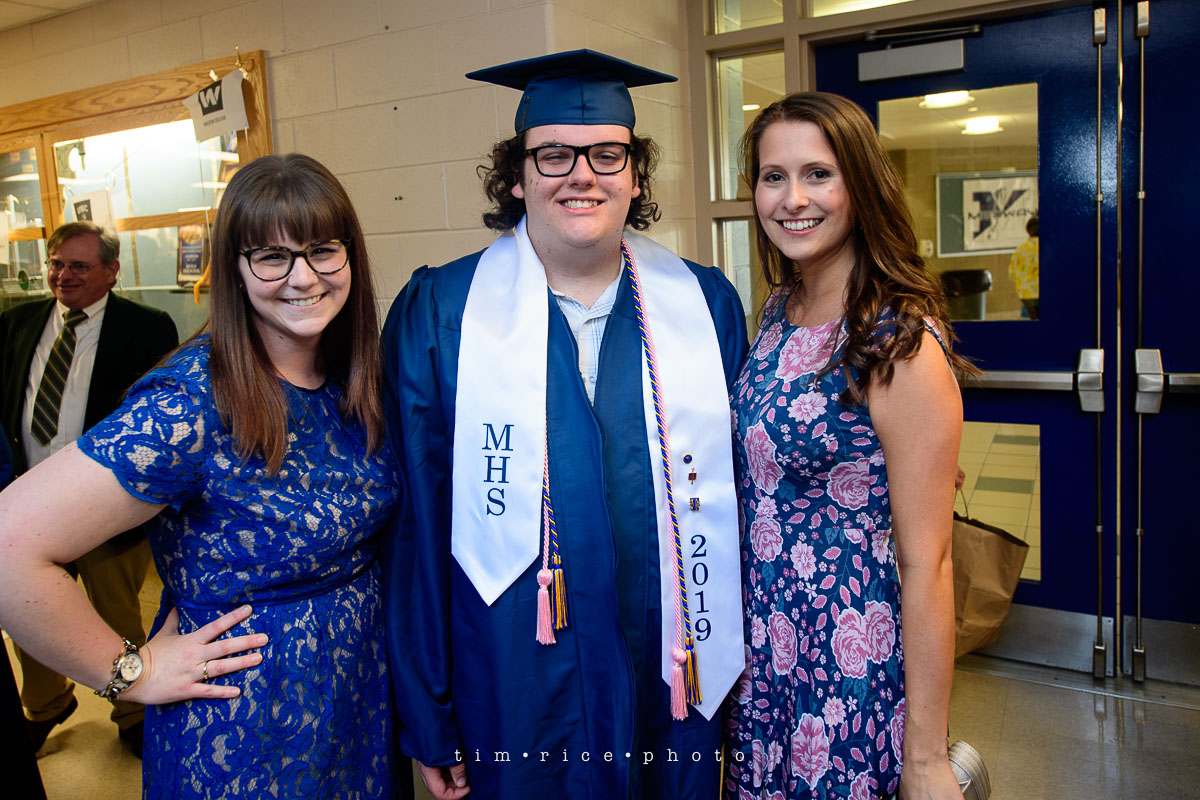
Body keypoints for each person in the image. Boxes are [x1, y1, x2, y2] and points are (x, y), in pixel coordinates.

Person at [383, 50, 749, 800]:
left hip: (671, 663)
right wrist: (430, 711)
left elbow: (740, 500)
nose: (582, 175)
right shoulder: (442, 312)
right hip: (514, 675)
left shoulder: (703, 305)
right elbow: (416, 522)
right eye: (553, 155)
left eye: (607, 154)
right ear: (517, 176)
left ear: (636, 176)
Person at [0, 154, 403, 799]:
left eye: (323, 251)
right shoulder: (190, 404)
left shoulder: (354, 377)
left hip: (357, 702)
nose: (303, 277)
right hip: (243, 727)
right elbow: (8, 547)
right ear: (235, 271)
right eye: (271, 257)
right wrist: (129, 674)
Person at [725, 92, 972, 799]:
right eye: (773, 177)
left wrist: (925, 758)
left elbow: (929, 565)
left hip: (850, 669)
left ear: (859, 185)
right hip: (767, 660)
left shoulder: (899, 342)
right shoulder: (779, 312)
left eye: (818, 174)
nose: (793, 199)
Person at [0, 220, 178, 756]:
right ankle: (46, 704)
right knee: (31, 611)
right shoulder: (16, 323)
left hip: (105, 509)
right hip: (32, 499)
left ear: (111, 271)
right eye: (56, 264)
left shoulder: (146, 328)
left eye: (79, 265)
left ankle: (132, 712)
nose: (63, 275)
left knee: (116, 614)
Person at [1007, 214, 1039, 320]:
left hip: (1026, 294)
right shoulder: (1048, 248)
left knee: (1034, 320)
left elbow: (1012, 274)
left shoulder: (1020, 250)